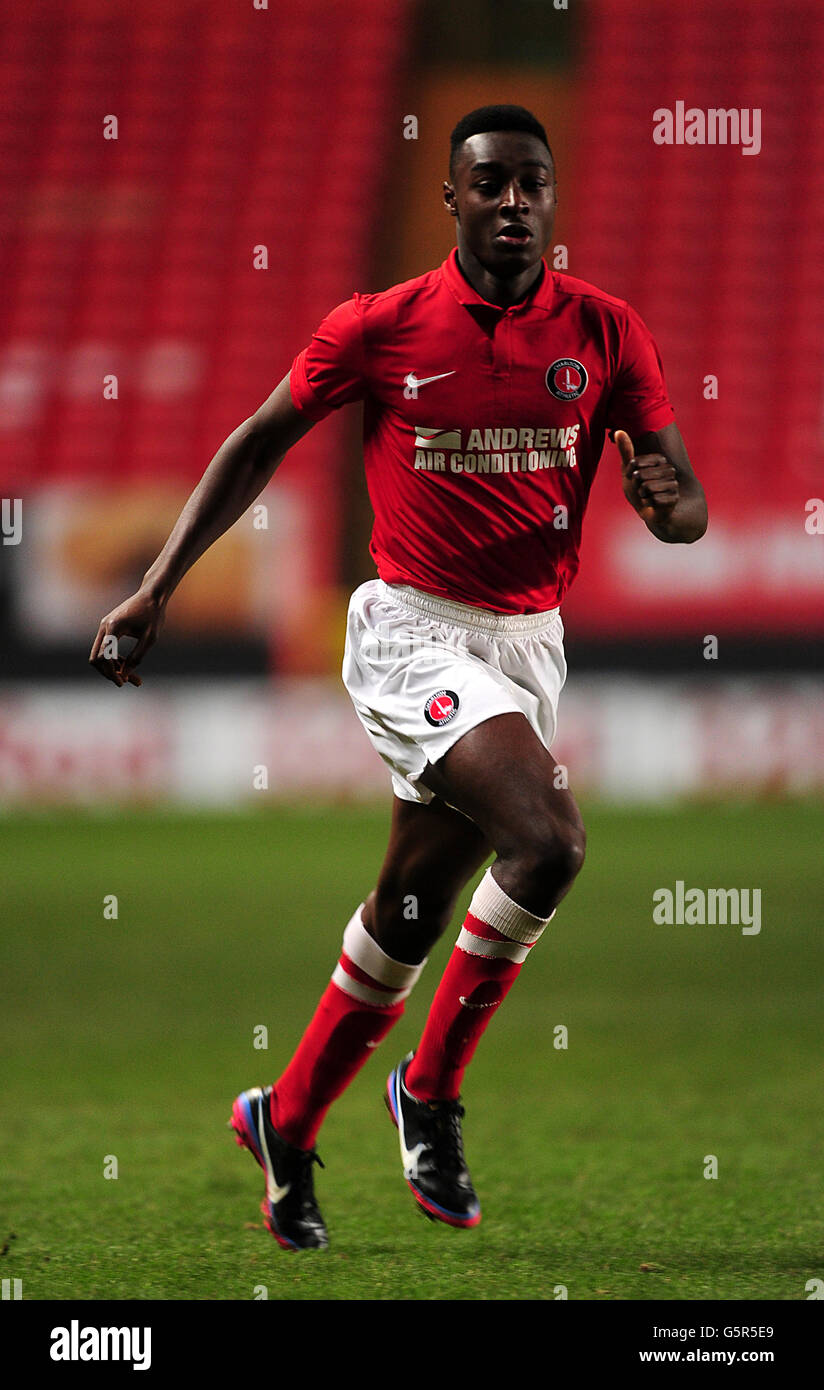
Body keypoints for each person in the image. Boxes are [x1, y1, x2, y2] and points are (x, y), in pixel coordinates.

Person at [90, 105, 707, 1251]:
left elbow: (676, 486)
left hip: (527, 643)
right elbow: (257, 441)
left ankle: (281, 1118)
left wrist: (675, 511)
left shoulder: (606, 331)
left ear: (550, 200)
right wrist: (158, 585)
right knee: (550, 839)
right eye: (490, 185)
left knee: (409, 916)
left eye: (532, 185)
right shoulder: (380, 327)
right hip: (412, 633)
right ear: (453, 200)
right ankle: (425, 1090)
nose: (513, 203)